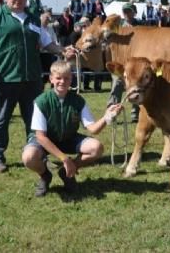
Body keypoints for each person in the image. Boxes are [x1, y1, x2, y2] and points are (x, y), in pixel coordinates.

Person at [0, 0, 75, 173]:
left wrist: (63, 50)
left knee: (35, 120)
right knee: (1, 118)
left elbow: (47, 44)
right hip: (6, 78)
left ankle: (37, 154)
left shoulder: (33, 19)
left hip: (32, 79)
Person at [22, 60, 123, 197]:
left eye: (66, 78)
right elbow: (41, 137)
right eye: (58, 78)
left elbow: (93, 129)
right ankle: (45, 176)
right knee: (29, 157)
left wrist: (107, 117)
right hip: (44, 140)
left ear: (72, 79)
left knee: (96, 148)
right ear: (51, 79)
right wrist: (64, 158)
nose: (62, 82)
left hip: (68, 138)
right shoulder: (41, 101)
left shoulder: (78, 101)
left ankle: (66, 173)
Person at [107, 3, 140, 122]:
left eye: (129, 11)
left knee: (136, 87)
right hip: (120, 61)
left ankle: (135, 113)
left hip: (135, 62)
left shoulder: (139, 25)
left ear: (134, 13)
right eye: (125, 11)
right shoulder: (118, 25)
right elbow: (108, 35)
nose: (126, 13)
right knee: (117, 85)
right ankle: (111, 112)